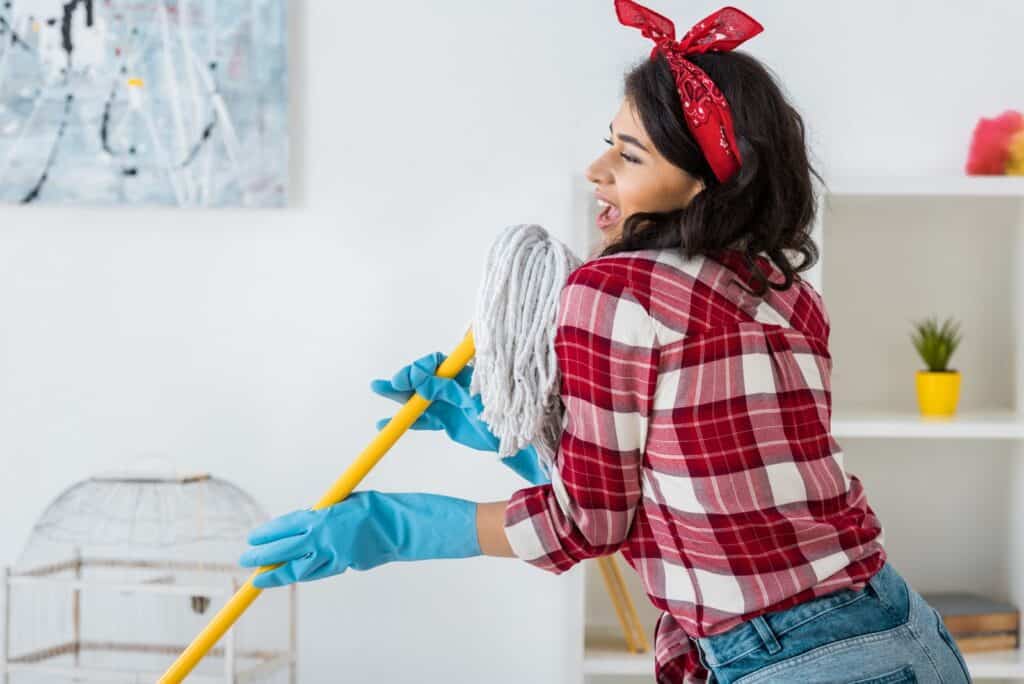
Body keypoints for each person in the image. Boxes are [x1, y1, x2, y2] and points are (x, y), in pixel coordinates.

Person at [239, 2, 973, 682]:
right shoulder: (783, 290)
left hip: (802, 661)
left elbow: (584, 524)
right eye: (607, 146)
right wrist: (509, 435)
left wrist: (387, 528)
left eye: (629, 157)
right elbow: (678, 483)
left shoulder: (610, 290)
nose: (596, 173)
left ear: (702, 185)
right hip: (905, 632)